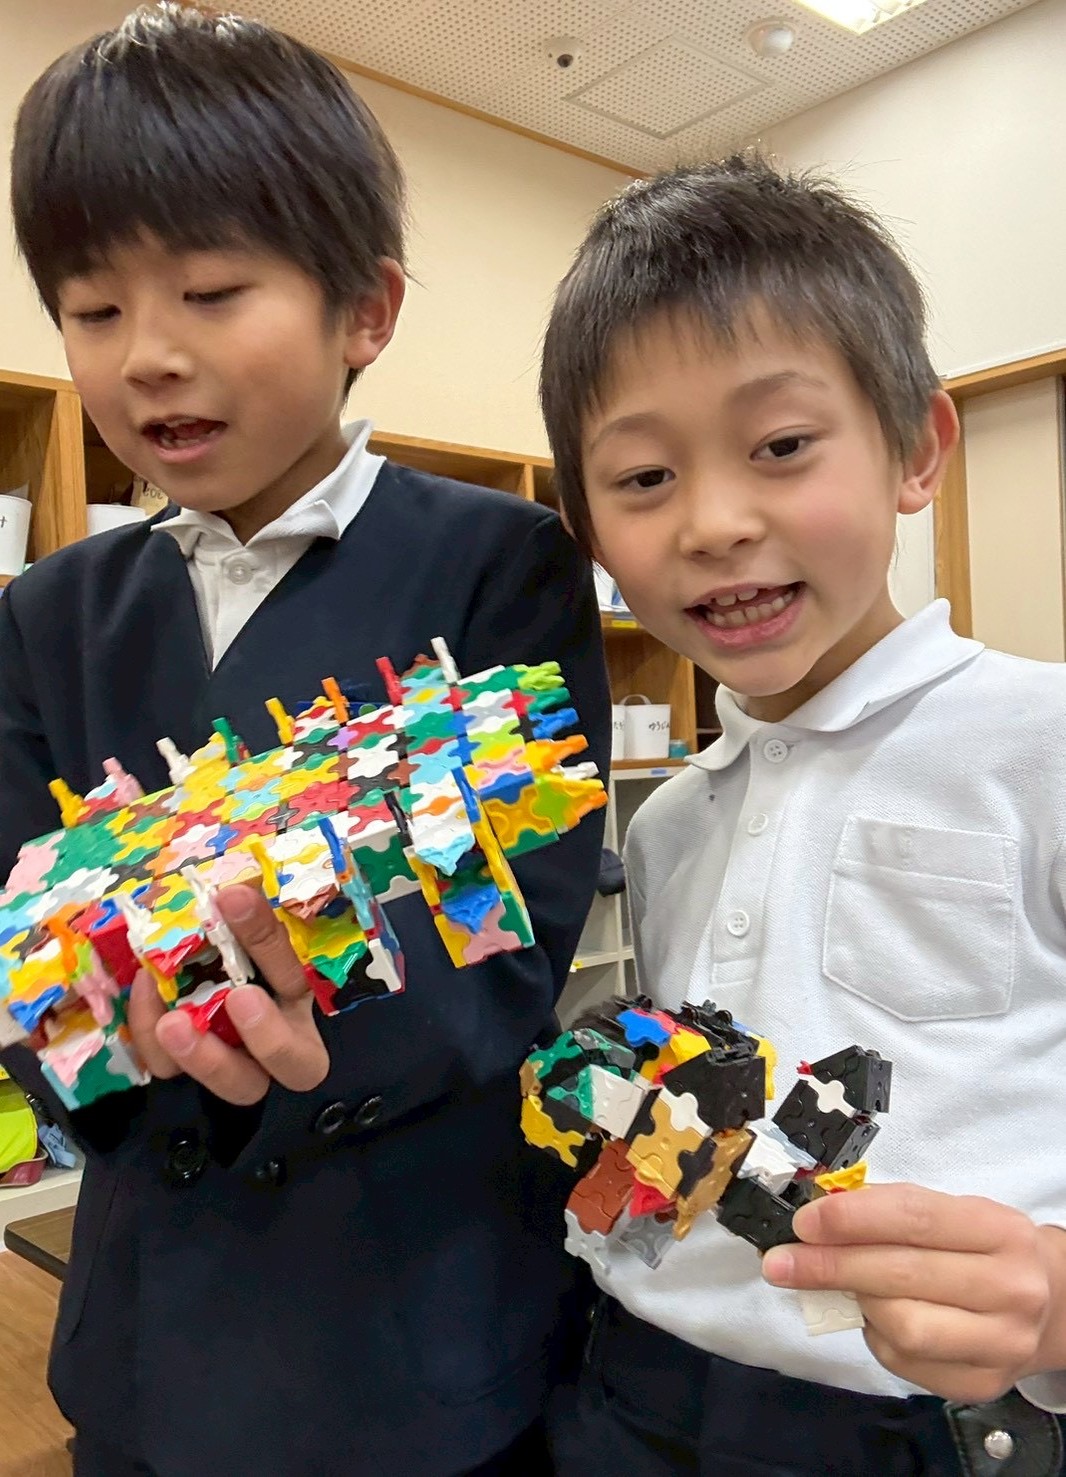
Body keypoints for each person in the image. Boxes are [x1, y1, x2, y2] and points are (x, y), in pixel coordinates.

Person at [0, 7, 609, 1474]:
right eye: (92, 310)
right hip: (143, 1322)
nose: (149, 357)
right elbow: (26, 939)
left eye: (212, 292)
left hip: (408, 1314)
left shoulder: (498, 562)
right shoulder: (46, 611)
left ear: (365, 311)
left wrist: (292, 1049)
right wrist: (85, 1043)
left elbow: (508, 941)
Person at [537, 154, 1066, 1475]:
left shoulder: (1041, 742)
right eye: (643, 478)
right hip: (629, 1389)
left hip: (934, 1424)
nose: (715, 523)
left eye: (780, 447)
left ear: (914, 450)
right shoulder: (666, 824)